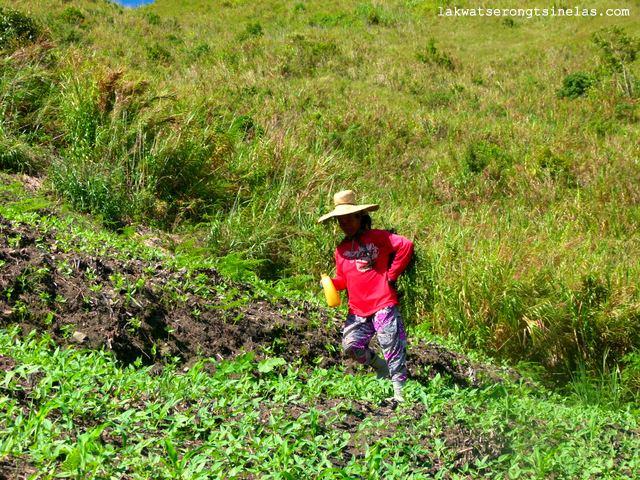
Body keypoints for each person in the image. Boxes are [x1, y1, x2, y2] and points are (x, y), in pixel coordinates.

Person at [318, 189, 414, 403]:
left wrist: (392, 275)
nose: (344, 225)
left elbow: (405, 245)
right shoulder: (341, 249)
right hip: (358, 309)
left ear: (360, 217)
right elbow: (343, 281)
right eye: (340, 222)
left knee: (392, 346)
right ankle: (380, 368)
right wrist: (329, 284)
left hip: (383, 303)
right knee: (351, 346)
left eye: (348, 220)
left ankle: (400, 395)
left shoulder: (377, 237)